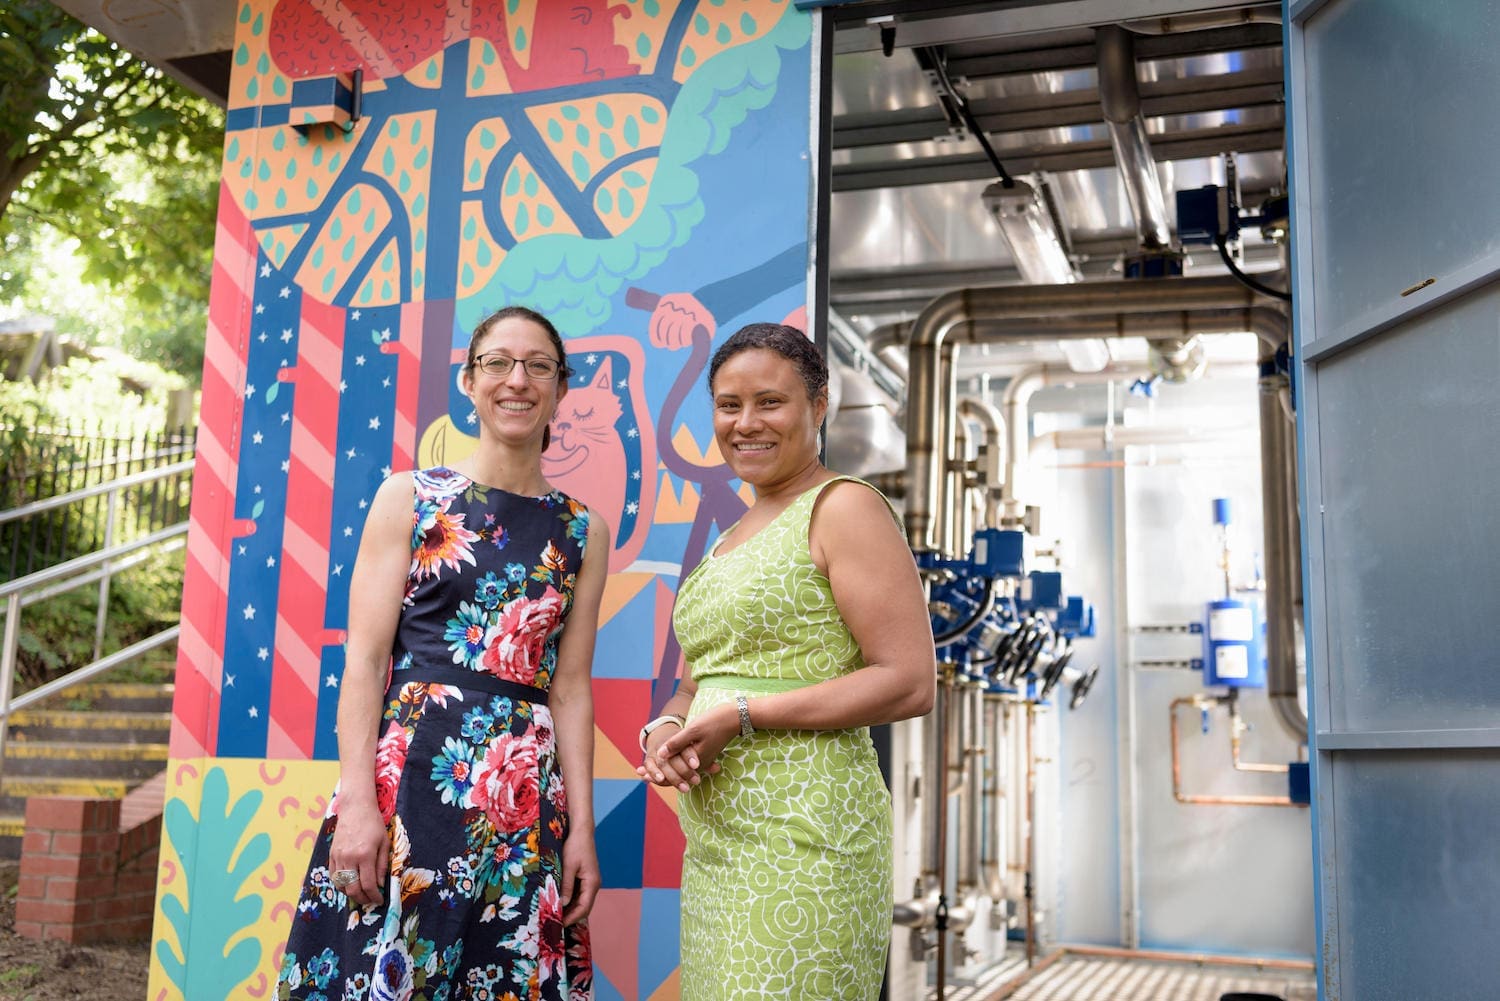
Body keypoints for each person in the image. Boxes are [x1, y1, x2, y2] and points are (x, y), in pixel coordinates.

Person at [279, 306, 608, 1001]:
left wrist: (581, 829)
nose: (517, 380)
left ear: (559, 386)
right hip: (411, 783)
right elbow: (365, 661)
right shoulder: (411, 497)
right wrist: (359, 804)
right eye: (498, 362)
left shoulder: (584, 528)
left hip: (523, 806)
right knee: (390, 974)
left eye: (538, 365)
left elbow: (572, 687)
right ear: (468, 380)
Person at [637, 322, 936, 1000]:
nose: (746, 423)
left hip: (808, 844)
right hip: (719, 851)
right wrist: (662, 729)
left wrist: (745, 715)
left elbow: (909, 680)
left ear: (819, 405)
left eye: (770, 402)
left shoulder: (843, 508)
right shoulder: (731, 535)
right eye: (728, 404)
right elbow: (695, 682)